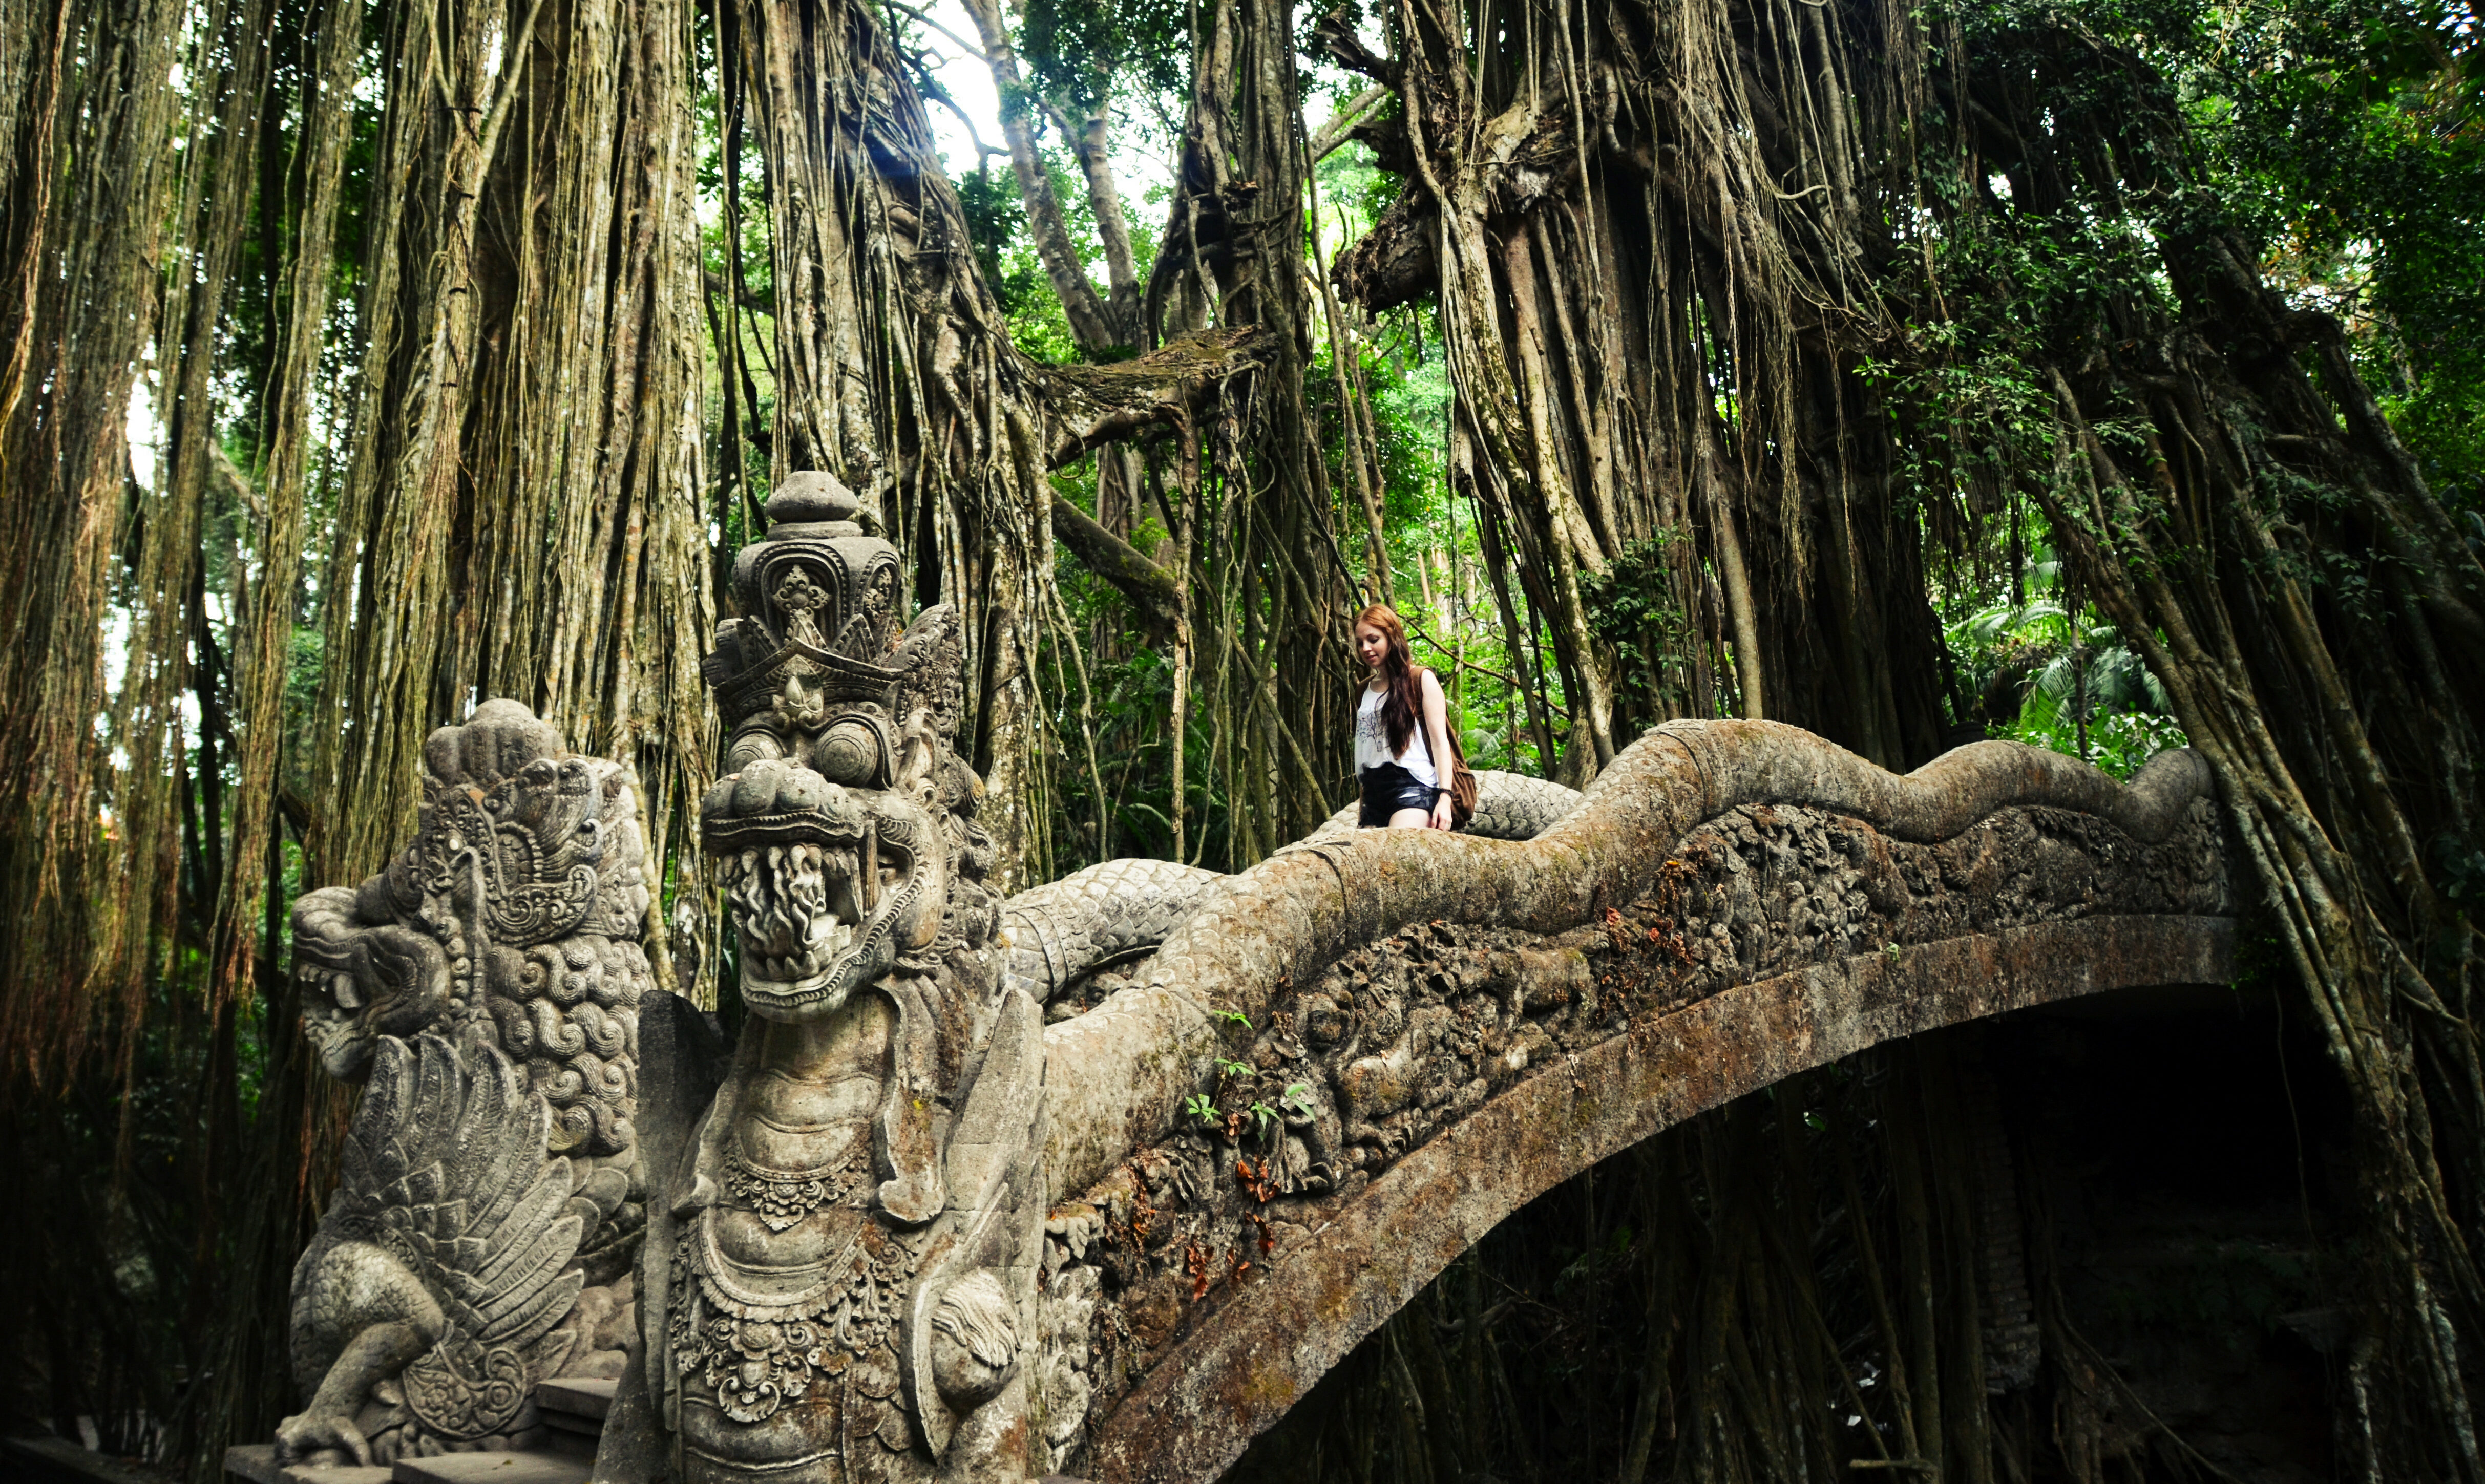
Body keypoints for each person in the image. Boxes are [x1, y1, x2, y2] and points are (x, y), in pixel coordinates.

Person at [1352, 603, 1457, 830]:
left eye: (1373, 639)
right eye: (1360, 643)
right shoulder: (1363, 690)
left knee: (1396, 855)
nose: (1366, 648)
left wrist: (1445, 798)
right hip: (1374, 793)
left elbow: (1440, 744)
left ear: (1392, 637)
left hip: (1413, 787)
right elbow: (1369, 752)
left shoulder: (1420, 679)